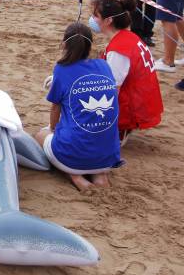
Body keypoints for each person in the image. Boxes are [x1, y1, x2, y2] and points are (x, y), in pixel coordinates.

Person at [34, 22, 122, 192]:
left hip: (74, 152)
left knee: (40, 135)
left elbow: (55, 109)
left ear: (65, 44)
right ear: (90, 45)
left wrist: (52, 129)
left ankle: (75, 177)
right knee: (90, 141)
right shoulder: (104, 65)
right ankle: (100, 176)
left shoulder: (61, 69)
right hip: (108, 154)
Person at [90, 0, 163, 143]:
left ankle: (120, 129)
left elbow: (112, 89)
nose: (92, 19)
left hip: (133, 107)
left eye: (95, 16)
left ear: (108, 20)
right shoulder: (130, 37)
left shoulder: (119, 49)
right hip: (143, 100)